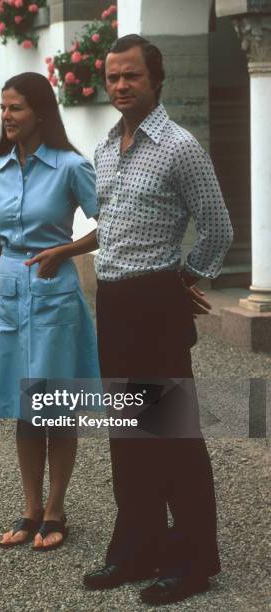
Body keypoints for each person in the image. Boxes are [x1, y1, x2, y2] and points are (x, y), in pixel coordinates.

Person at [83, 35, 233, 605]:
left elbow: (218, 228)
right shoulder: (103, 148)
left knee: (173, 435)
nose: (121, 86)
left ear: (156, 79)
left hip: (157, 305)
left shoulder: (180, 147)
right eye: (113, 77)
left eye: (132, 77)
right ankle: (138, 547)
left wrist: (184, 279)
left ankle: (195, 561)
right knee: (128, 433)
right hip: (114, 304)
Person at [0, 72, 100, 551]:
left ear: (41, 113)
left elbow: (110, 225)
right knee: (26, 410)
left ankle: (56, 509)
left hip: (55, 295)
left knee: (57, 409)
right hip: (7, 296)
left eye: (16, 108)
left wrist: (64, 252)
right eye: (4, 107)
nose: (7, 116)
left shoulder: (70, 167)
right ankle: (29, 509)